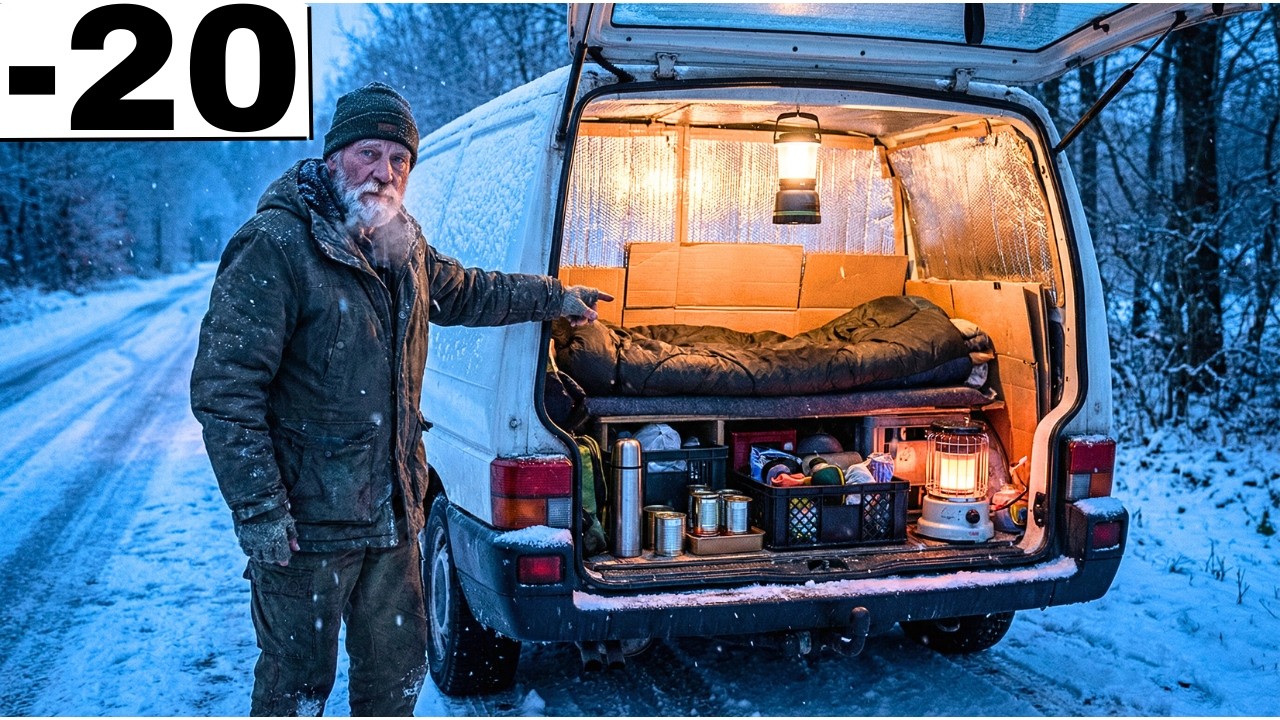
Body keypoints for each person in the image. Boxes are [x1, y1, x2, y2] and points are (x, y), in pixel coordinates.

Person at [190, 82, 610, 716]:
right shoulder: (276, 246)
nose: (383, 173)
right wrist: (261, 512)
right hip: (307, 528)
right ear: (334, 160)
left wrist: (554, 296)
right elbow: (225, 391)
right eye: (368, 153)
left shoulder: (402, 246)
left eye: (398, 160)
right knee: (297, 687)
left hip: (393, 516)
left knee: (394, 679)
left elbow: (469, 292)